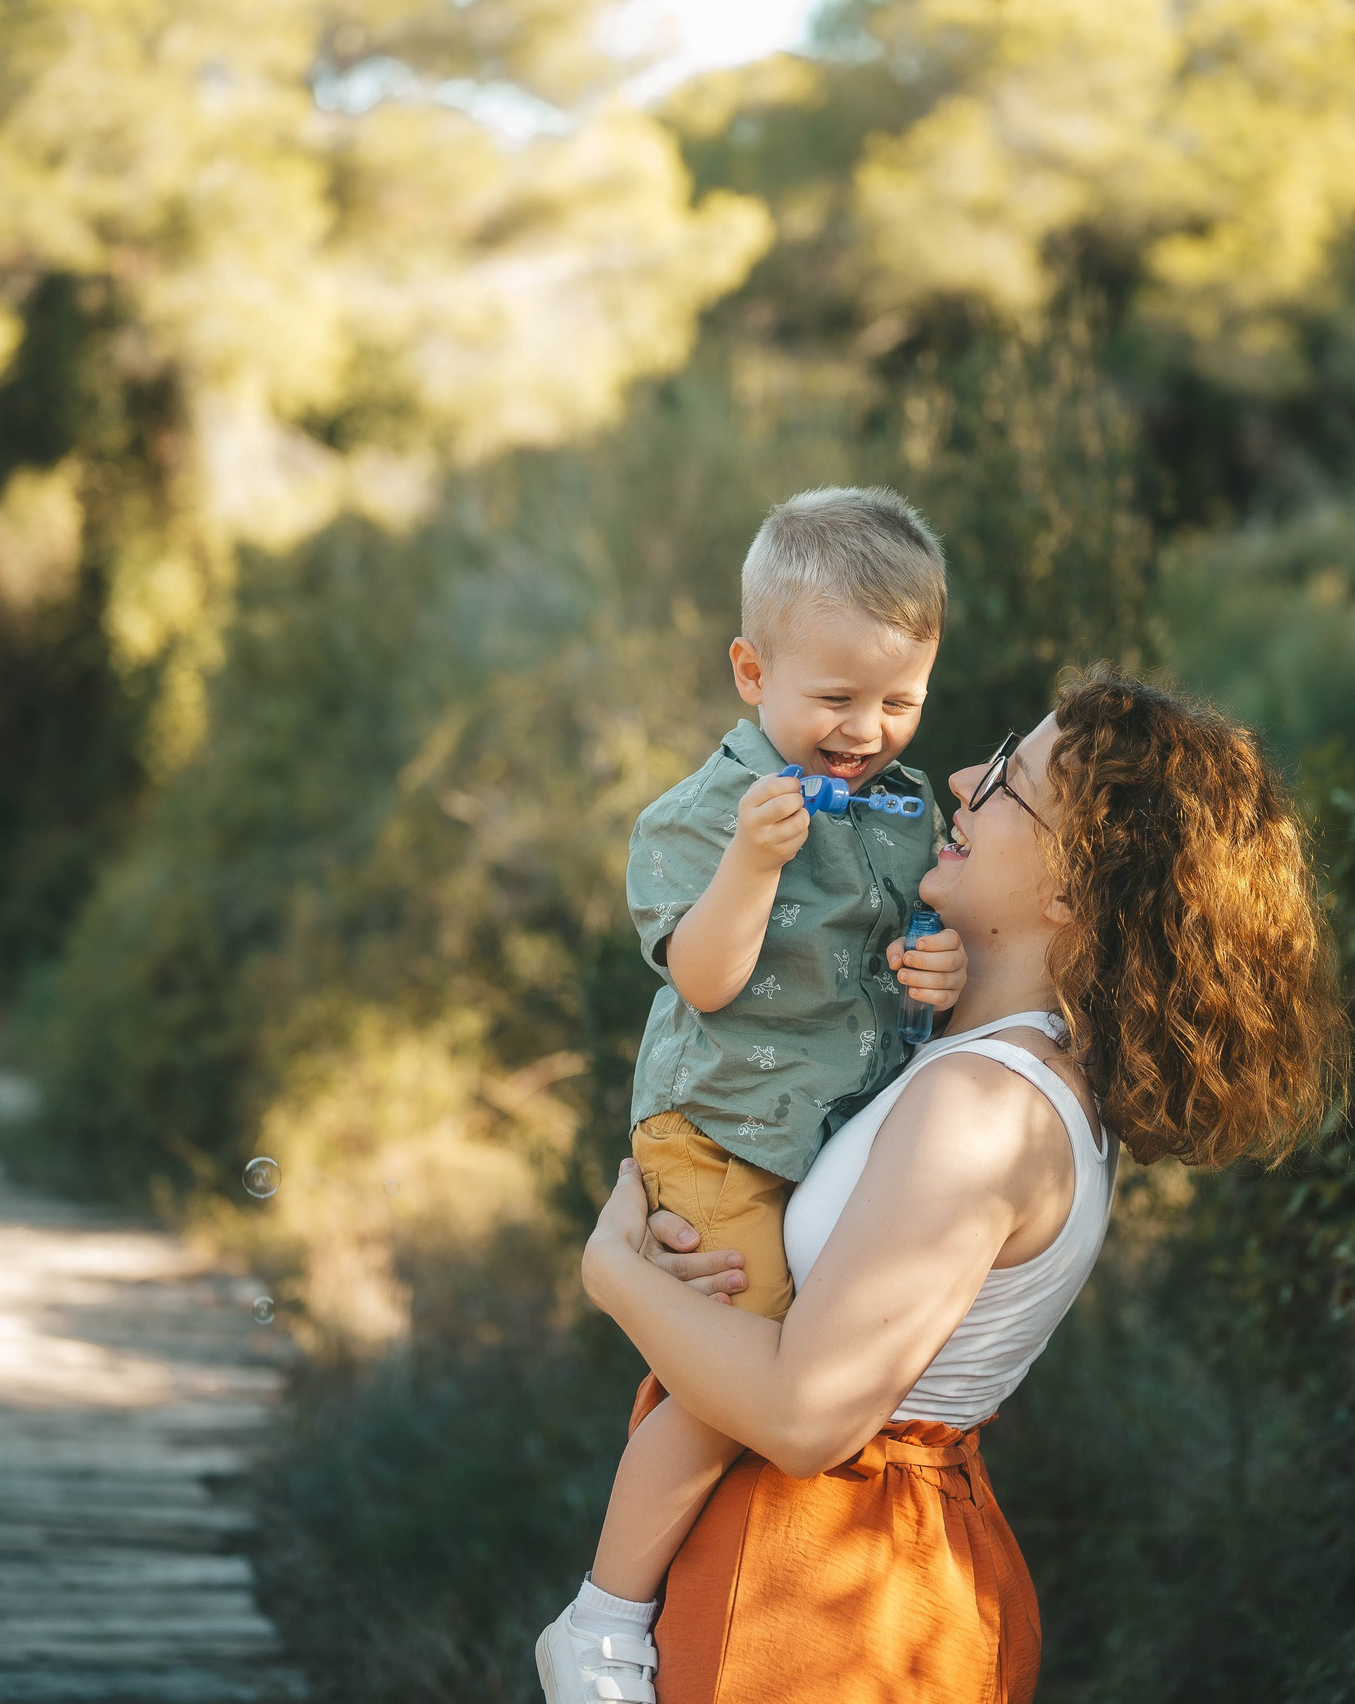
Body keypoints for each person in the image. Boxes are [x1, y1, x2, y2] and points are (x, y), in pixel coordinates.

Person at [575, 667, 1351, 1703]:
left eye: (1006, 782)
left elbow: (807, 1415)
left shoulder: (985, 1107)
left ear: (1073, 885)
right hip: (840, 1584)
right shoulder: (978, 1060)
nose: (958, 775)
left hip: (818, 1604)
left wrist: (615, 1275)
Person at [535, 488, 971, 1702]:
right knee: (749, 1367)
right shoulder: (695, 820)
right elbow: (705, 978)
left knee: (791, 1362)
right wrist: (752, 862)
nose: (865, 730)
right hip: (721, 1133)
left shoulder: (908, 808)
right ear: (749, 669)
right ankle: (602, 1620)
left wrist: (940, 969)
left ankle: (736, 1603)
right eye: (834, 700)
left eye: (899, 701)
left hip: (832, 1142)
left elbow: (912, 957)